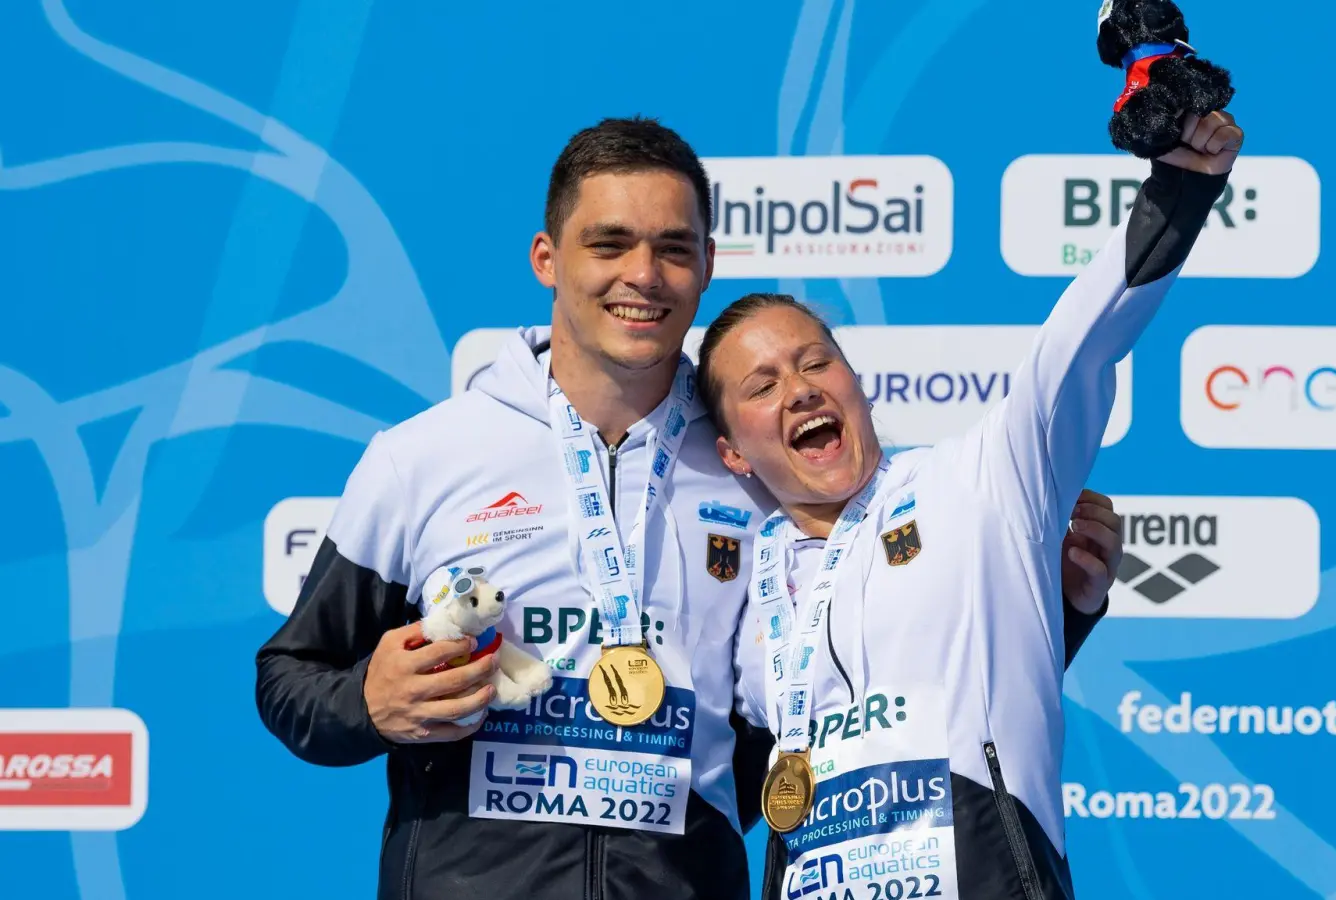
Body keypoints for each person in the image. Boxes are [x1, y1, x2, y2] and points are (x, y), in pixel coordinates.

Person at [254, 116, 1126, 900]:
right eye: (610, 243)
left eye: (674, 247)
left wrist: (1057, 603)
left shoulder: (757, 461)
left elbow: (901, 659)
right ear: (547, 259)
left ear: (707, 265)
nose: (644, 274)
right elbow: (290, 677)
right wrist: (368, 703)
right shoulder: (422, 459)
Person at [704, 112, 1243, 899]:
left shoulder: (979, 481)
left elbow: (1079, 345)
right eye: (763, 385)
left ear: (856, 381)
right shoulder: (742, 592)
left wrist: (1182, 183)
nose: (802, 389)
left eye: (816, 361)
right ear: (729, 451)